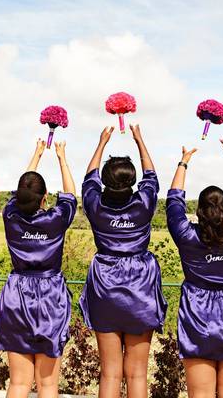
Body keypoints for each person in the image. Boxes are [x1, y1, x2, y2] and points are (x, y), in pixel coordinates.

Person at [165, 139, 223, 398]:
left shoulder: (186, 235)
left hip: (197, 314)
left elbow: (173, 201)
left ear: (199, 212)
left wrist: (184, 161)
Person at [80, 124, 166, 398]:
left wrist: (101, 142)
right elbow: (151, 176)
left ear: (106, 181)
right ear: (132, 181)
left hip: (105, 285)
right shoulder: (143, 203)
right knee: (137, 372)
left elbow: (88, 179)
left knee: (110, 372)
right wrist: (140, 139)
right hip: (140, 286)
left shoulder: (96, 204)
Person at [0, 138, 77, 398]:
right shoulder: (55, 219)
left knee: (18, 383)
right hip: (50, 297)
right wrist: (61, 157)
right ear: (45, 198)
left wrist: (36, 154)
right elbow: (70, 195)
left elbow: (22, 192)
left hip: (16, 295)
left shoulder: (10, 216)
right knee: (48, 385)